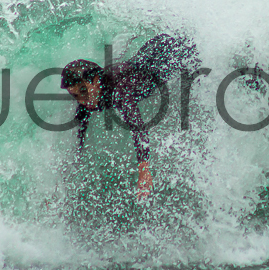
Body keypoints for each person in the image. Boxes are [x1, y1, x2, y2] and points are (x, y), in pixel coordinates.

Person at [61, 34, 199, 199]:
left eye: (84, 91)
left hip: (165, 56)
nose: (83, 101)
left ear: (97, 80)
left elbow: (137, 125)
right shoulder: (89, 98)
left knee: (196, 53)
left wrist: (144, 169)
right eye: (76, 96)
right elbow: (79, 133)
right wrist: (70, 169)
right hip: (148, 55)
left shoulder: (120, 90)